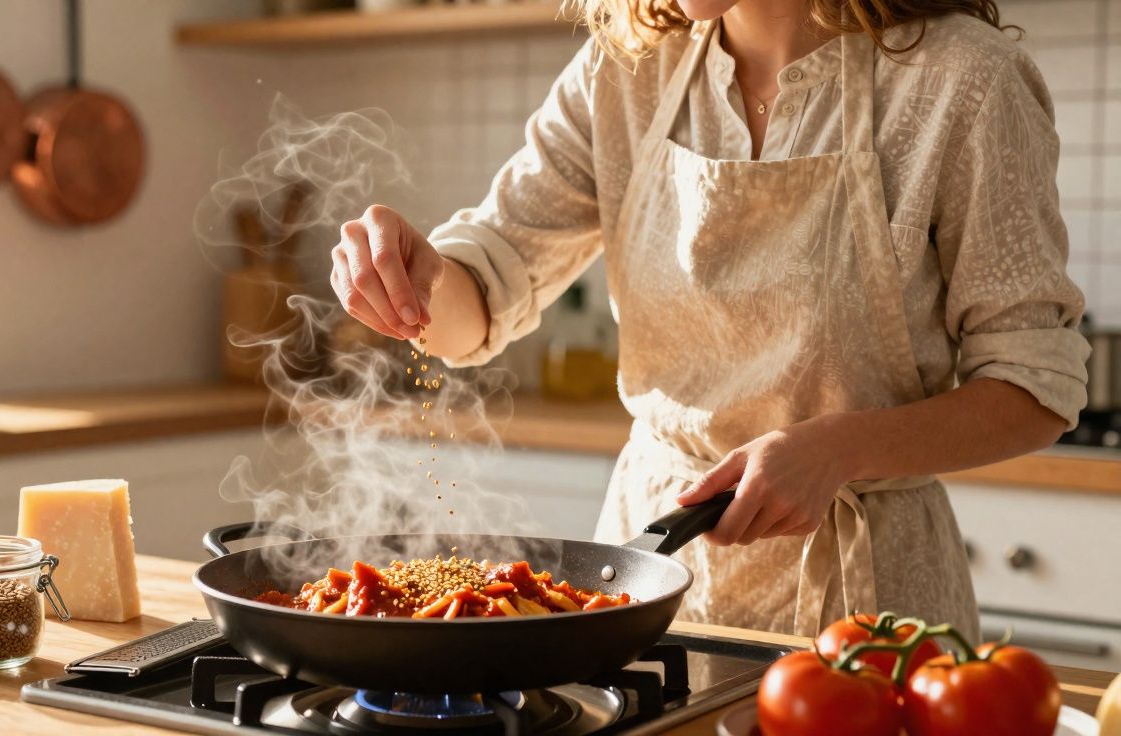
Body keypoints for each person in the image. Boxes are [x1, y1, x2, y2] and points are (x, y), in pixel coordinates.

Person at [328, 0, 1089, 636]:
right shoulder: (625, 71)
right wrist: (417, 282)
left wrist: (840, 448)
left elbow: (1034, 388)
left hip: (868, 614)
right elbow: (486, 285)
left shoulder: (965, 80)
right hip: (650, 586)